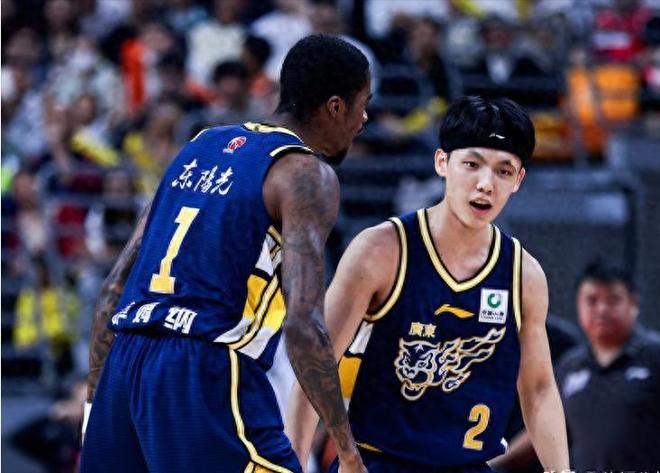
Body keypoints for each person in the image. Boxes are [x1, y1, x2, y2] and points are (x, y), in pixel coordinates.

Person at [80, 34, 371, 473]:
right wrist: (347, 451)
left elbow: (113, 288)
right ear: (334, 106)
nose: (364, 118)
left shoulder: (200, 146)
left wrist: (95, 410)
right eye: (362, 104)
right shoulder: (304, 172)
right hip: (202, 368)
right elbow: (303, 323)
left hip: (124, 363)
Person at [286, 96, 570, 472]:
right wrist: (293, 464)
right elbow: (315, 365)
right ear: (442, 163)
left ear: (518, 181)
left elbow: (538, 390)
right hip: (379, 463)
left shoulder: (523, 274)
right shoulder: (380, 250)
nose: (485, 184)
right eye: (472, 164)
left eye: (504, 171)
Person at [555, 262, 660, 471]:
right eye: (592, 301)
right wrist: (499, 461)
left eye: (613, 300)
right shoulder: (569, 365)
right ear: (578, 305)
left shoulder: (655, 356)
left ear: (633, 304)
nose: (602, 309)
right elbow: (552, 428)